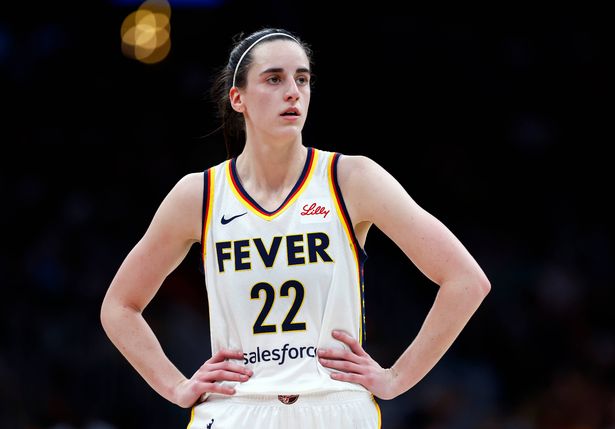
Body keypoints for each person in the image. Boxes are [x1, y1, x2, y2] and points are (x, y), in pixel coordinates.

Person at [100, 27, 491, 428]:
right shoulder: (199, 195)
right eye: (274, 79)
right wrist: (176, 386)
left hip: (333, 406)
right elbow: (119, 307)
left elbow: (465, 280)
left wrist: (396, 379)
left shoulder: (351, 178)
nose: (293, 92)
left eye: (302, 79)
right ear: (238, 98)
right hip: (237, 408)